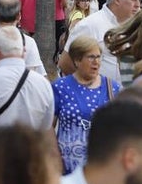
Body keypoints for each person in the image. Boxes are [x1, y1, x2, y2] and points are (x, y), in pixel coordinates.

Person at [51, 35, 119, 175]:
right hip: (66, 169)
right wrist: (54, 157)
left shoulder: (113, 88)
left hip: (101, 168)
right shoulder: (60, 87)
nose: (96, 62)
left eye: (99, 57)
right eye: (91, 57)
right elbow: (47, 127)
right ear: (77, 60)